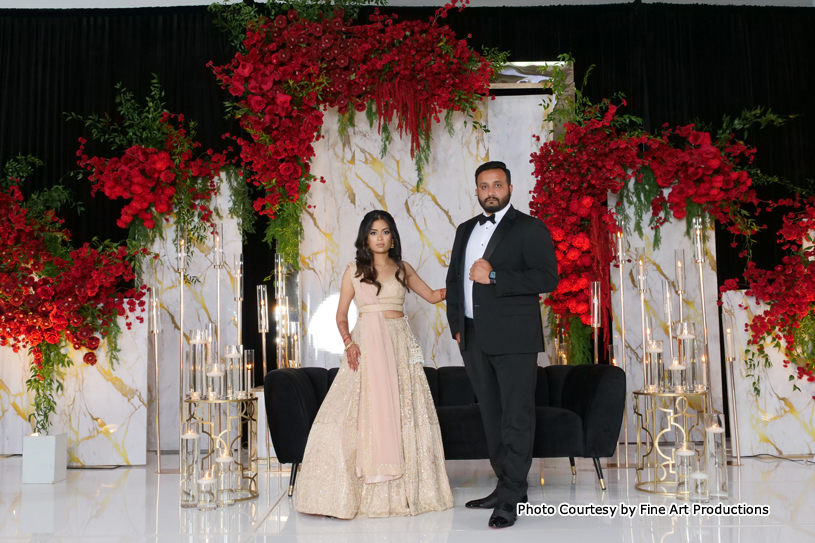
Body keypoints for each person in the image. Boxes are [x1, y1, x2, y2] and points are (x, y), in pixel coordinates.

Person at [295, 210, 454, 519]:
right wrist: (349, 344)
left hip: (399, 345)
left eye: (385, 232)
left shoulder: (403, 268)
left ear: (392, 236)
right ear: (365, 238)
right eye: (373, 232)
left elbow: (434, 296)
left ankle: (408, 490)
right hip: (366, 345)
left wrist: (463, 283)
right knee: (360, 409)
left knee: (402, 408)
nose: (380, 238)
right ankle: (345, 490)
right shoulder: (354, 270)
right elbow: (341, 315)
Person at [445, 161, 559, 528]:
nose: (490, 191)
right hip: (473, 337)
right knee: (491, 415)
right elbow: (454, 279)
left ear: (510, 187)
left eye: (497, 184)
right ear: (476, 190)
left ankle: (511, 495)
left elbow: (547, 278)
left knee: (515, 416)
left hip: (514, 339)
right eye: (483, 186)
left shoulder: (529, 227)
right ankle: (507, 485)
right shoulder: (465, 229)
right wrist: (457, 326)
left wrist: (493, 275)